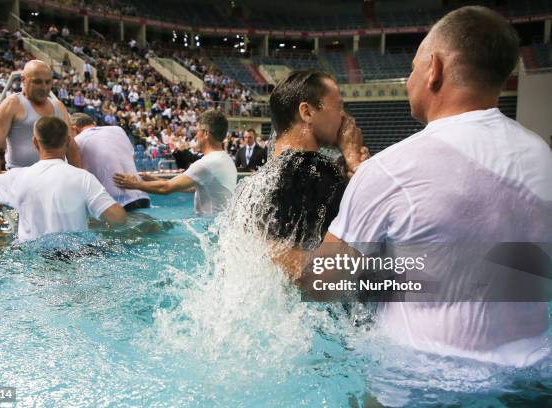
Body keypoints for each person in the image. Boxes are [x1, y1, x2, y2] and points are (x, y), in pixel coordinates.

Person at [323, 6, 552, 366]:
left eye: (413, 67)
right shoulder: (542, 156)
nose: (411, 77)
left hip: (421, 377)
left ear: (435, 69)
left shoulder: (393, 168)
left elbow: (325, 281)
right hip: (533, 372)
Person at [226, 70, 364, 257]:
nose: (346, 119)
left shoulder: (255, 182)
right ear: (307, 112)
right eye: (338, 107)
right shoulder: (314, 173)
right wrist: (353, 159)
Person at [0, 117, 126, 242]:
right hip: (74, 261)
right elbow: (118, 218)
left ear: (35, 142)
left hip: (32, 264)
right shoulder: (83, 178)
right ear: (68, 141)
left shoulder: (17, 177)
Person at [114, 110, 237, 216]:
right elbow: (193, 188)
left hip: (210, 228)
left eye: (198, 130)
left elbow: (166, 188)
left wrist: (135, 184)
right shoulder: (226, 160)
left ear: (206, 133)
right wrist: (154, 179)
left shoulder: (207, 163)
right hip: (219, 228)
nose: (196, 135)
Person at [0, 60, 81, 171]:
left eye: (48, 82)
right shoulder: (12, 104)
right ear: (23, 80)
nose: (44, 87)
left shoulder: (58, 106)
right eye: (37, 82)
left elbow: (71, 147)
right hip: (21, 178)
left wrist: (78, 176)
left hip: (53, 177)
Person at [70, 113, 151, 211]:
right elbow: (132, 157)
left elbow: (77, 175)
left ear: (74, 128)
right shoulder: (118, 130)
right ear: (93, 123)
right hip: (142, 195)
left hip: (115, 204)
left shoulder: (77, 142)